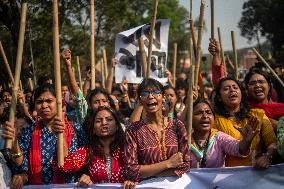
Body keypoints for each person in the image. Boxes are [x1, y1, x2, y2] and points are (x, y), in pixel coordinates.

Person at [3, 84, 86, 186]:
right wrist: (14, 142)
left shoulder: (75, 129)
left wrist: (61, 136)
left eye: (49, 101)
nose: (44, 106)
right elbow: (22, 165)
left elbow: (81, 163)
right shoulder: (29, 130)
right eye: (39, 102)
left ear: (58, 103)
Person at [124, 78, 190, 183]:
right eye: (145, 93)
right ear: (140, 100)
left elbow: (185, 165)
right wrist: (168, 164)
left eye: (155, 92)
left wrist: (148, 172)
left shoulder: (177, 126)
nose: (150, 96)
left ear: (163, 97)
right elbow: (131, 170)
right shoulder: (133, 130)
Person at [54, 106, 136, 188]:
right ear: (93, 129)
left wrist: (132, 180)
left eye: (109, 119)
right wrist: (61, 133)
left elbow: (139, 171)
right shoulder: (87, 151)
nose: (104, 123)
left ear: (117, 126)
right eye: (98, 121)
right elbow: (65, 165)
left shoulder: (127, 149)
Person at [213, 77, 277, 168]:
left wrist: (267, 156)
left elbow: (272, 143)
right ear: (219, 97)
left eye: (235, 87)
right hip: (226, 177)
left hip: (257, 172)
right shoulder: (214, 121)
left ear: (241, 93)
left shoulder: (258, 115)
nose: (232, 90)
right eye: (226, 89)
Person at [191, 99, 259, 168]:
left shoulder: (219, 137)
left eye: (208, 112)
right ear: (190, 118)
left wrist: (246, 141)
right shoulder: (184, 140)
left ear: (214, 118)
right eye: (199, 113)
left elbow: (237, 148)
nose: (205, 116)